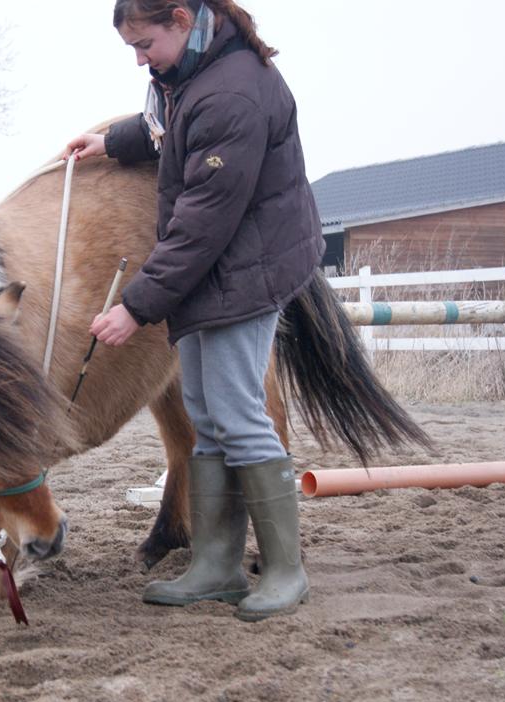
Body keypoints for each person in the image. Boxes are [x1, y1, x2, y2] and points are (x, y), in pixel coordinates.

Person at [62, 0, 323, 621]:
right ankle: (214, 564)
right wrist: (110, 141)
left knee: (239, 412)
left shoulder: (233, 94)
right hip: (217, 270)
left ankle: (286, 570)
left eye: (144, 43)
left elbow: (201, 227)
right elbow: (167, 132)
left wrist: (135, 307)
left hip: (245, 267)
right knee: (206, 412)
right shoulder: (192, 74)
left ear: (181, 19)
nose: (139, 58)